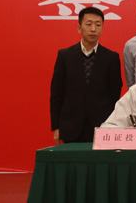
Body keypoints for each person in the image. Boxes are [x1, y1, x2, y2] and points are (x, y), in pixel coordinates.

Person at [50, 7, 122, 144]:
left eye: (98, 25)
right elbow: (56, 94)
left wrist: (113, 125)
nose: (93, 29)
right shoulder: (65, 56)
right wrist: (56, 127)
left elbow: (114, 95)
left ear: (102, 28)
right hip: (70, 127)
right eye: (88, 24)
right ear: (79, 28)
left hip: (102, 125)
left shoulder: (111, 58)